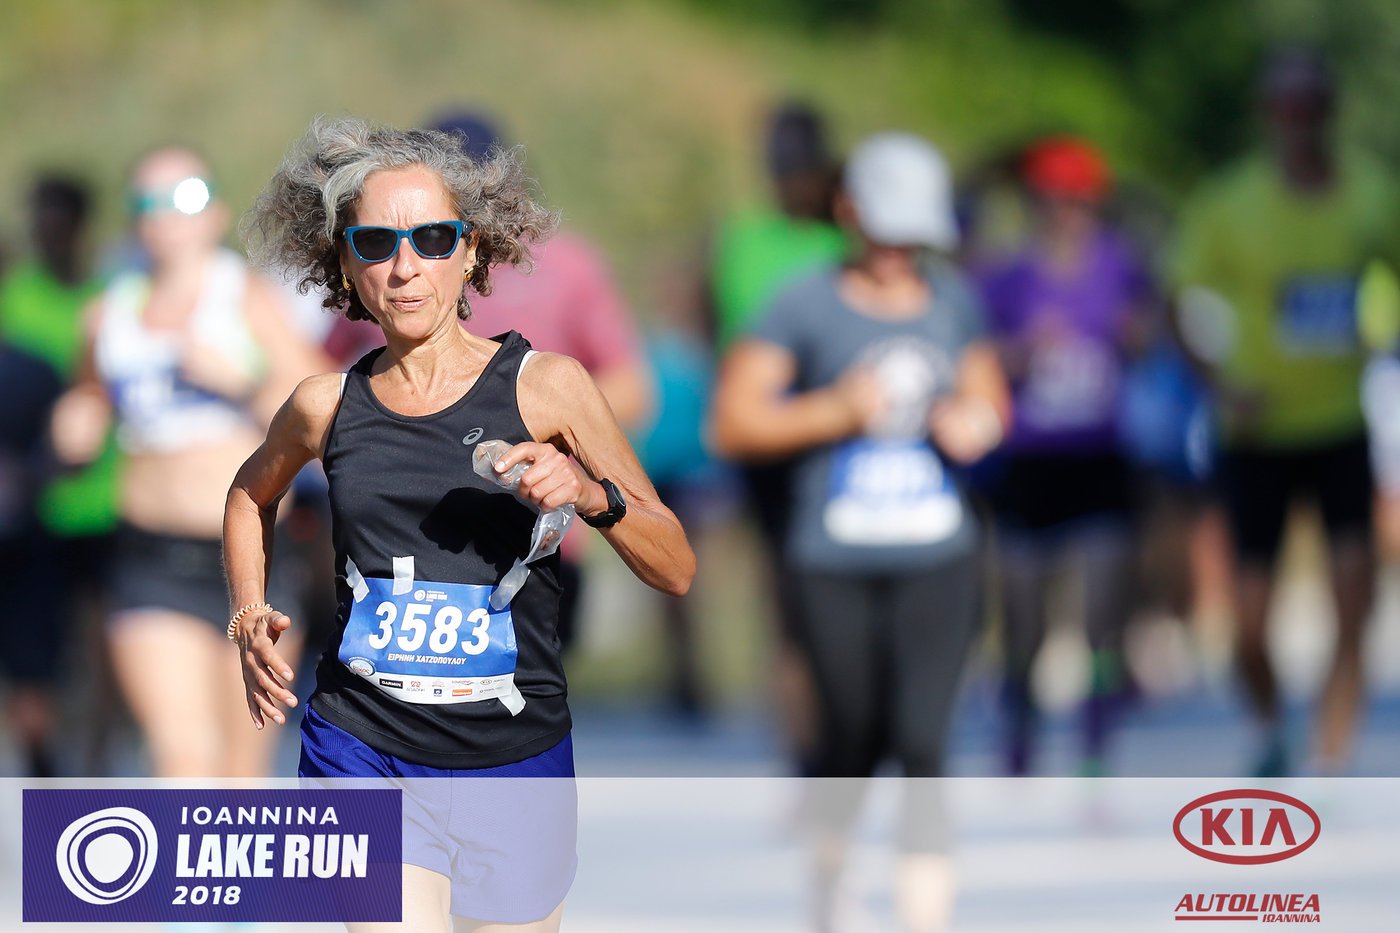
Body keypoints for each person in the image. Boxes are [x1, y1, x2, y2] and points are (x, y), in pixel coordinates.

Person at [228, 117, 694, 932]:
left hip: (510, 753)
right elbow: (248, 493)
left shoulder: (547, 388)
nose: (405, 267)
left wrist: (591, 495)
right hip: (361, 741)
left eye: (433, 239)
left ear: (471, 251)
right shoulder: (324, 404)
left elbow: (676, 565)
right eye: (376, 243)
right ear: (345, 262)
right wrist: (247, 611)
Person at [711, 131, 1009, 933]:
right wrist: (834, 411)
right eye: (886, 231)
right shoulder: (801, 304)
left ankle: (924, 918)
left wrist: (973, 421)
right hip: (831, 560)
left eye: (914, 236)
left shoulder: (953, 300)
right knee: (849, 740)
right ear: (848, 212)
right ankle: (830, 880)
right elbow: (733, 422)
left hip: (940, 557)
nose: (898, 252)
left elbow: (990, 396)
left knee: (923, 742)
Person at [49, 146, 326, 778]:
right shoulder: (108, 313)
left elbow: (321, 412)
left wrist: (236, 382)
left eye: (185, 198)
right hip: (150, 559)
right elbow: (85, 409)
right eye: (148, 202)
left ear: (215, 212)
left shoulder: (245, 297)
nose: (166, 215)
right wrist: (74, 428)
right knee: (181, 760)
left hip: (250, 562)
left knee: (241, 773)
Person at [1170, 47, 1400, 775]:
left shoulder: (1373, 193)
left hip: (1341, 425)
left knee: (1355, 596)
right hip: (1255, 430)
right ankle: (1269, 723)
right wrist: (1217, 384)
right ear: (1266, 113)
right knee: (1247, 617)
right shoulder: (1229, 202)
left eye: (1310, 105)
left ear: (1330, 110)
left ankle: (1332, 757)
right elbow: (1175, 299)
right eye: (1284, 105)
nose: (1298, 120)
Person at [975, 137, 1154, 775]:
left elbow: (1153, 332)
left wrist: (1139, 336)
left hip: (1099, 460)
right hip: (1029, 465)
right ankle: (1020, 738)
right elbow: (973, 357)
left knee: (1102, 620)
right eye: (1051, 199)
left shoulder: (1121, 267)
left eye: (1077, 199)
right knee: (1025, 624)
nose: (1064, 211)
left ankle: (1095, 749)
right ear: (1033, 203)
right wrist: (1020, 353)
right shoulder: (1006, 277)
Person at [705, 101, 849, 771]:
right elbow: (722, 335)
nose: (788, 182)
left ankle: (844, 727)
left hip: (840, 446)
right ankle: (804, 747)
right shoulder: (740, 238)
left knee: (835, 595)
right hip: (767, 450)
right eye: (779, 169)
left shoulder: (846, 243)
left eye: (797, 169)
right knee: (786, 596)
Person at [0, 175, 113, 775]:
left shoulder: (106, 298)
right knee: (36, 653)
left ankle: (92, 768)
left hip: (101, 500)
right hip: (33, 511)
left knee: (103, 644)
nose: (48, 235)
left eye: (59, 224)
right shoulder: (15, 296)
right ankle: (42, 767)